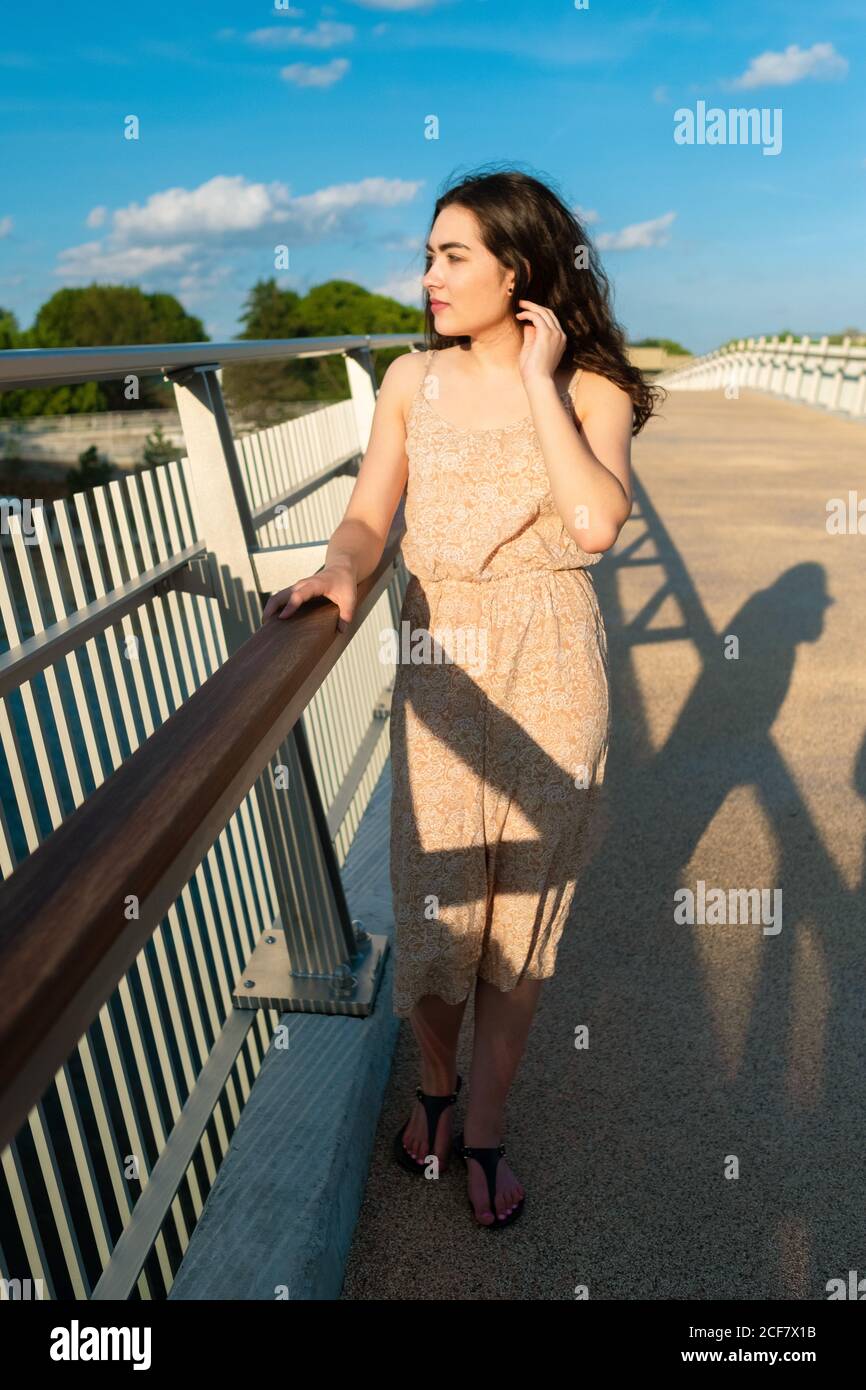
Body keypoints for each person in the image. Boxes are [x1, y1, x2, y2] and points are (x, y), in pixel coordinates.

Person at [263, 166, 664, 1229]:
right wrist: (343, 572)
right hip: (442, 663)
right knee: (440, 904)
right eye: (427, 254)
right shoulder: (409, 381)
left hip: (551, 665)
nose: (428, 277)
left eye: (452, 256)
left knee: (523, 913)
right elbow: (366, 518)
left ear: (518, 269)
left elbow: (592, 526)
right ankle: (431, 1088)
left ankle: (481, 1124)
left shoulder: (591, 389)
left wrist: (539, 382)